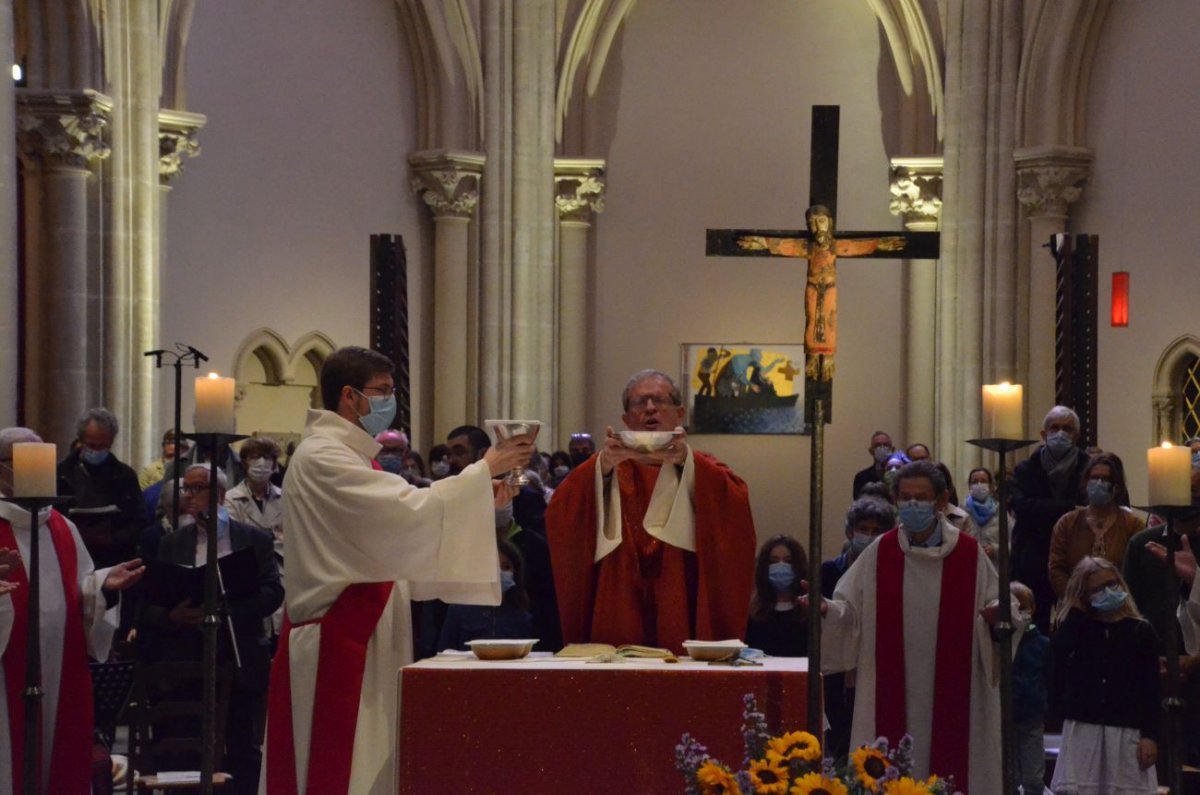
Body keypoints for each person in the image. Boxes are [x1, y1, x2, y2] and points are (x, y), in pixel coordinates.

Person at [261, 346, 532, 795]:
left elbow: (399, 521)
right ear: (350, 396)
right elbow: (409, 511)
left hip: (366, 627)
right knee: (345, 767)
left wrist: (480, 496)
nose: (390, 404)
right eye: (382, 392)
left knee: (373, 762)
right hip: (339, 633)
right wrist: (485, 469)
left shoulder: (348, 454)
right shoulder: (322, 457)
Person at [811, 460, 1006, 790]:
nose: (913, 504)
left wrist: (998, 616)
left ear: (942, 501)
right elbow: (850, 614)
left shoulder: (970, 555)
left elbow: (1000, 608)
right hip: (890, 682)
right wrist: (826, 610)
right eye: (905, 497)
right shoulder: (879, 553)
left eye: (922, 497)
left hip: (956, 689)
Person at [546, 369, 757, 654]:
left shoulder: (701, 466)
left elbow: (734, 509)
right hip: (619, 588)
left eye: (660, 400)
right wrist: (603, 468)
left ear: (679, 413)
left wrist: (687, 463)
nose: (649, 408)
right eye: (639, 402)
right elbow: (562, 511)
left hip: (680, 586)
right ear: (625, 419)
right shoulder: (607, 464)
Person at [0, 426, 144, 793]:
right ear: (2, 469)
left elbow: (80, 588)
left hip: (61, 669)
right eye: (23, 463)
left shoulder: (63, 527)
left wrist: (100, 586)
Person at [139, 464, 282, 794]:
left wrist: (224, 610)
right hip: (185, 659)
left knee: (242, 745)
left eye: (198, 488)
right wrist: (173, 616)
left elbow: (273, 592)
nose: (189, 496)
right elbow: (149, 606)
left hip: (238, 653)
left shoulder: (252, 538)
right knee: (185, 744)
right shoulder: (171, 542)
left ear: (219, 494)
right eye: (186, 489)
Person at [737, 206, 904, 381]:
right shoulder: (808, 247)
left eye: (821, 222)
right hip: (813, 288)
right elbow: (784, 245)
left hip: (829, 289)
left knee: (829, 320)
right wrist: (762, 242)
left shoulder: (834, 246)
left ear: (830, 223)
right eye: (812, 224)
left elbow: (857, 246)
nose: (817, 228)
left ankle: (828, 355)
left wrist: (879, 244)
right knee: (812, 319)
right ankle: (813, 355)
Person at [1050, 557, 1159, 795]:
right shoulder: (1080, 628)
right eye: (1097, 589)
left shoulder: (1141, 630)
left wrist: (1150, 736)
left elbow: (1151, 687)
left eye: (1112, 584)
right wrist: (1077, 612)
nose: (1108, 592)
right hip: (1084, 727)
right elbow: (1057, 654)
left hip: (1125, 728)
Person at [1010, 405, 1091, 631]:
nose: (1060, 433)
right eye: (1054, 428)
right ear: (1043, 434)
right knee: (1033, 627)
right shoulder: (1026, 469)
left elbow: (1089, 510)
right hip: (1032, 559)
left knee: (1077, 628)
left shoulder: (1089, 467)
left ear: (1076, 435)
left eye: (1067, 428)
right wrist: (1070, 509)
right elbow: (1022, 509)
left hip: (1076, 560)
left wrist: (1041, 509)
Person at [56, 407, 146, 571]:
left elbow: (140, 519)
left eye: (102, 446)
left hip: (115, 557)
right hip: (70, 556)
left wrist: (113, 538)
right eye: (91, 445)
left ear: (111, 442)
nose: (96, 450)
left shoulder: (125, 475)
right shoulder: (61, 474)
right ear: (81, 441)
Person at [1048, 452, 1144, 601]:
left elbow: (1138, 571)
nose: (1098, 483)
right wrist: (1075, 599)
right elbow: (1056, 569)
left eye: (1105, 479)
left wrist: (1119, 599)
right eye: (1094, 478)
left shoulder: (1133, 524)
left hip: (1121, 606)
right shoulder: (1067, 523)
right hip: (1075, 606)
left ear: (1117, 486)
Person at [436, 540, 533, 651]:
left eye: (506, 567)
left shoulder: (521, 617)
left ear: (515, 573)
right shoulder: (459, 611)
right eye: (493, 567)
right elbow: (444, 655)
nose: (499, 573)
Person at [1010, 581, 1051, 795]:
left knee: (1033, 778)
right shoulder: (1001, 643)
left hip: (1032, 715)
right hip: (1006, 717)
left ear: (1033, 609)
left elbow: (1050, 677)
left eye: (1023, 607)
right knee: (1010, 776)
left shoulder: (1042, 644)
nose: (1019, 613)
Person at [744, 535, 808, 658]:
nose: (781, 566)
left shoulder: (809, 612)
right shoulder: (752, 613)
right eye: (773, 561)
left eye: (788, 561)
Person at [961, 467, 1000, 559]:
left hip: (995, 569)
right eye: (974, 482)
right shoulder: (961, 512)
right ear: (969, 486)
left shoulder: (1001, 512)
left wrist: (995, 549)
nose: (979, 484)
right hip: (969, 566)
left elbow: (1014, 543)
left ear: (990, 486)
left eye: (983, 481)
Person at [852, 431, 894, 498]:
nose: (882, 448)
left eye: (886, 445)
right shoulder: (861, 477)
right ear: (871, 451)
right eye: (877, 445)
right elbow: (858, 504)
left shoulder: (899, 475)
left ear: (893, 449)